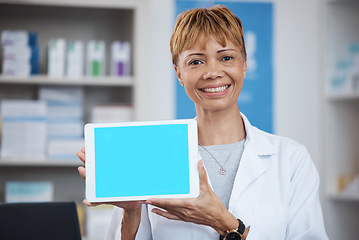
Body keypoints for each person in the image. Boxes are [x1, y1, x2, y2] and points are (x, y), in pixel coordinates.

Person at [77, 5, 328, 240]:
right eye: (196, 61)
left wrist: (225, 223)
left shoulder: (291, 159)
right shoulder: (151, 155)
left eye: (226, 58)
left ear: (244, 64)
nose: (212, 72)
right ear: (178, 72)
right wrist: (131, 214)